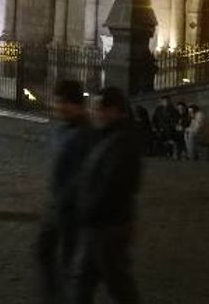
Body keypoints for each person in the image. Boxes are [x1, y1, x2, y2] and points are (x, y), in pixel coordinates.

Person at [67, 86, 142, 303]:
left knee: (118, 284)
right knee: (84, 281)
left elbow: (114, 186)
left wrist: (88, 210)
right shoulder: (108, 135)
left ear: (114, 110)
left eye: (99, 108)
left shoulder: (124, 142)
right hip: (99, 224)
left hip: (110, 226)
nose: (94, 113)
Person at [36, 79, 96, 302]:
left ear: (76, 104)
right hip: (58, 204)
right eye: (58, 101)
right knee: (45, 251)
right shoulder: (64, 127)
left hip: (72, 208)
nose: (58, 107)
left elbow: (83, 174)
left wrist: (66, 198)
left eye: (63, 102)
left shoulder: (86, 133)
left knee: (69, 259)